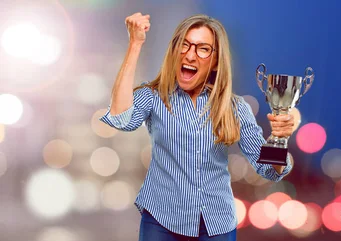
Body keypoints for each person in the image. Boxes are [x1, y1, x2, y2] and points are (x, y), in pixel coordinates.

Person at [99, 12, 295, 241]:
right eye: (185, 45)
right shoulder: (154, 96)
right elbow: (120, 118)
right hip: (162, 222)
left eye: (202, 48)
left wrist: (280, 140)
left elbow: (269, 169)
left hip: (217, 225)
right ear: (175, 51)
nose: (190, 55)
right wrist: (135, 43)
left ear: (214, 61)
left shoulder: (234, 108)